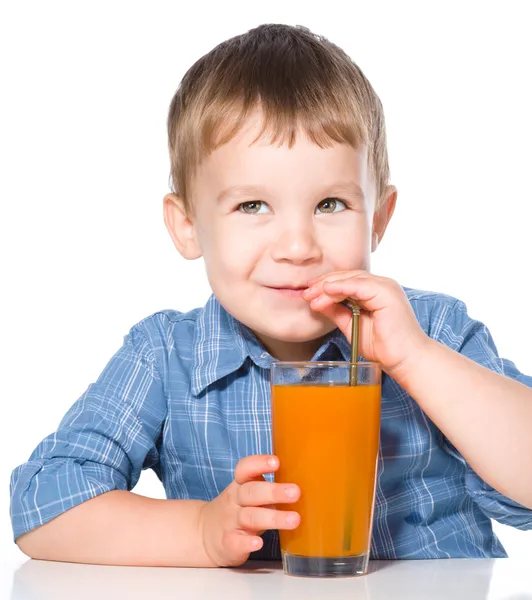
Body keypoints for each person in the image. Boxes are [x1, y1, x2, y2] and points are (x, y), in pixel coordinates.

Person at [10, 23, 532, 568]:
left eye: (330, 204)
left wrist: (418, 361)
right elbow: (44, 507)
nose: (297, 246)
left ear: (378, 219)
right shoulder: (165, 355)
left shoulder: (434, 332)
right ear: (187, 226)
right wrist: (201, 532)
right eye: (252, 206)